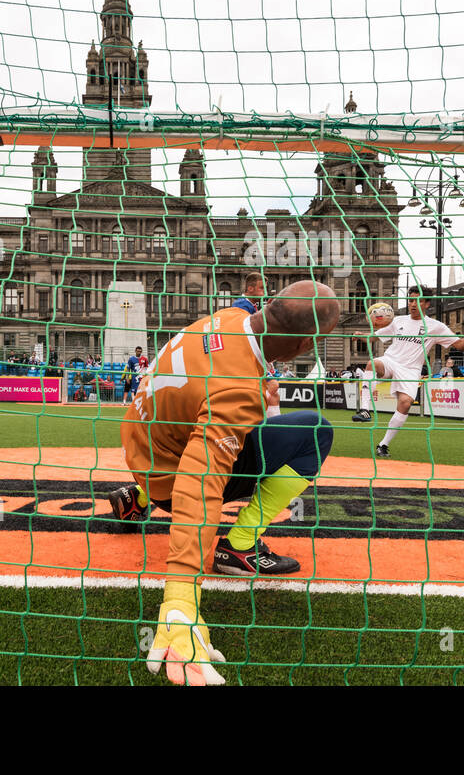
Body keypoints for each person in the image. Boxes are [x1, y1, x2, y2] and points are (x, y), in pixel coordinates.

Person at [110, 281, 341, 686]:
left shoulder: (226, 318)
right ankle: (239, 546)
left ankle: (138, 497)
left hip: (141, 451)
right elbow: (200, 482)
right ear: (307, 345)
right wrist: (181, 599)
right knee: (316, 430)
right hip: (175, 475)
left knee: (208, 425)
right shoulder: (237, 391)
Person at [351, 287, 464, 456]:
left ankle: (383, 444)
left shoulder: (436, 327)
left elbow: (461, 345)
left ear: (427, 304)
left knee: (405, 403)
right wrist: (361, 335)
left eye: (418, 300)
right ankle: (365, 410)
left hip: (411, 370)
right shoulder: (398, 321)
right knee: (372, 364)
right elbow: (376, 336)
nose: (413, 304)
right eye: (410, 300)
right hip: (391, 360)